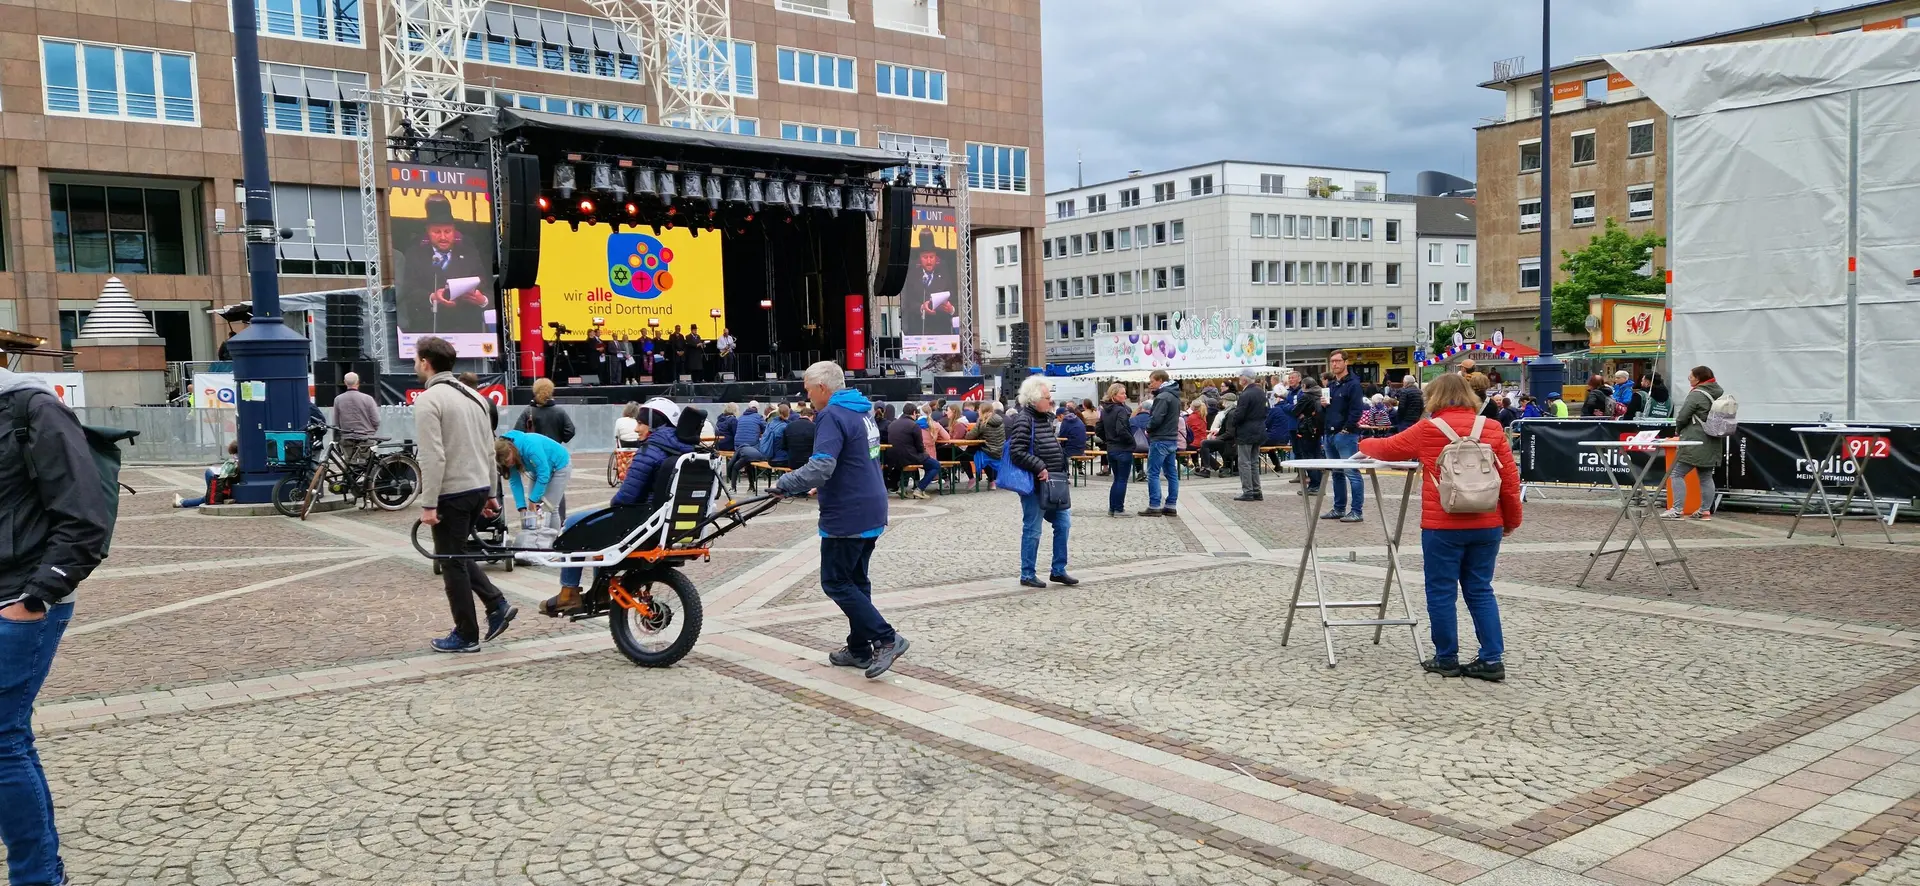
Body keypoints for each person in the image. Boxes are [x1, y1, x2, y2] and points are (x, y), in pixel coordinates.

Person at [0, 363, 114, 886]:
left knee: (3, 741)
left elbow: (85, 515)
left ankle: (38, 877)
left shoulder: (32, 407)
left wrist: (36, 596)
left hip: (19, 600)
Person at [1358, 372, 1522, 683]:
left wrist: (1362, 440)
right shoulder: (1492, 428)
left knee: (1442, 591)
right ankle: (1491, 659)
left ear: (1432, 397)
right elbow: (1510, 482)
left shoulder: (1428, 429)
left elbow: (1387, 449)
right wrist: (1510, 521)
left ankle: (1446, 657)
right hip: (1487, 522)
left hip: (1443, 524)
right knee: (1480, 590)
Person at [774, 361, 906, 679]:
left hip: (848, 511)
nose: (804, 394)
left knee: (835, 581)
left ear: (822, 388)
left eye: (807, 388)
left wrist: (785, 483)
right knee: (857, 582)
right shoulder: (861, 410)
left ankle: (886, 638)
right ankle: (860, 648)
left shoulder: (832, 414)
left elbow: (822, 467)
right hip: (872, 504)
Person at [413, 335, 516, 654]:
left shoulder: (429, 400)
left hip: (452, 493)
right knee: (456, 553)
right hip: (476, 490)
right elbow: (489, 449)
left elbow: (432, 456)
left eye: (416, 360)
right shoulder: (475, 396)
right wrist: (490, 494)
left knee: (450, 562)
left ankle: (466, 634)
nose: (415, 365)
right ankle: (496, 604)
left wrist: (428, 503)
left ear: (426, 363)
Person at [547, 400, 699, 617]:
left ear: (655, 423)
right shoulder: (686, 450)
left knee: (574, 523)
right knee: (603, 525)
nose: (636, 429)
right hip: (666, 522)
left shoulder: (652, 450)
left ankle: (568, 592)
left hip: (641, 521)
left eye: (641, 423)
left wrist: (613, 507)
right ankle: (599, 592)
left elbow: (626, 497)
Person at [1006, 377, 1074, 589]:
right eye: (1047, 397)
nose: (1051, 401)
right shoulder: (1024, 419)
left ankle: (1058, 569)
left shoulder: (1044, 418)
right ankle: (1027, 573)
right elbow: (1016, 452)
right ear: (1035, 399)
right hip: (1036, 484)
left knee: (1063, 524)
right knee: (1033, 529)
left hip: (1054, 482)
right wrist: (1038, 466)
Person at [397, 194, 488, 334]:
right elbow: (408, 292)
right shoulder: (414, 254)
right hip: (428, 329)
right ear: (428, 231)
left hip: (466, 331)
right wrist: (432, 297)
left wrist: (482, 300)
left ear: (454, 231)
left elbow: (485, 284)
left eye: (447, 231)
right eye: (437, 232)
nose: (443, 237)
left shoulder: (470, 254)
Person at [1664, 366, 1726, 521]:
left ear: (1698, 378)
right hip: (1713, 440)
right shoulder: (1718, 392)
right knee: (1705, 476)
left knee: (1677, 473)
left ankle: (1676, 509)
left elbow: (1683, 416)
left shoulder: (1697, 394)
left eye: (1691, 376)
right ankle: (1705, 511)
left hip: (1695, 439)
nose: (1689, 379)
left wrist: (1678, 429)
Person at [1322, 349, 1367, 523]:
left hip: (1345, 434)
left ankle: (1356, 511)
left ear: (1346, 362)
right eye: (1332, 361)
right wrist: (1324, 406)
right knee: (1337, 473)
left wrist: (1347, 429)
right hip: (1330, 433)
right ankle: (1339, 508)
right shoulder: (1332, 385)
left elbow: (1357, 409)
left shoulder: (1353, 384)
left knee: (1352, 472)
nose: (1334, 364)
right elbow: (1330, 409)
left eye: (1338, 361)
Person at [496, 428, 572, 520]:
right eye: (505, 464)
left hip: (560, 465)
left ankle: (554, 534)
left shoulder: (530, 447)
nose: (508, 464)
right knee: (532, 510)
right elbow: (515, 481)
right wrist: (521, 507)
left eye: (508, 460)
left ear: (510, 449)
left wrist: (533, 499)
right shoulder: (508, 455)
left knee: (550, 508)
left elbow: (544, 474)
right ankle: (536, 533)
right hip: (537, 469)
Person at [1141, 369, 1182, 517]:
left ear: (1160, 380)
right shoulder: (1175, 396)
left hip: (1160, 439)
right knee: (1171, 474)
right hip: (1171, 438)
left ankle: (1154, 505)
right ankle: (1171, 504)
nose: (1150, 384)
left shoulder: (1163, 397)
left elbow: (1157, 418)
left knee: (1153, 473)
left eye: (1152, 381)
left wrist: (1148, 428)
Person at [901, 231, 957, 335]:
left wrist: (951, 309)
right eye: (925, 257)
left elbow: (954, 298)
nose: (929, 261)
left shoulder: (945, 275)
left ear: (936, 258)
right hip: (918, 331)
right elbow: (907, 302)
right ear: (920, 258)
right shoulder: (912, 275)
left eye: (931, 257)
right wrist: (922, 307)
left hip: (941, 331)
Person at [1224, 370, 1268, 501]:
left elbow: (1240, 414)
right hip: (1259, 429)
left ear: (1245, 379)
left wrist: (1234, 421)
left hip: (1246, 431)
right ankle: (1256, 490)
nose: (1239, 379)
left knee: (1244, 462)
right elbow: (1266, 410)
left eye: (1240, 377)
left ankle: (1248, 491)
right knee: (1254, 462)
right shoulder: (1261, 392)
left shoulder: (1245, 394)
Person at [885, 403, 939, 499]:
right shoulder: (913, 425)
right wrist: (925, 453)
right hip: (908, 456)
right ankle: (920, 488)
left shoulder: (892, 424)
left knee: (909, 462)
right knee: (935, 465)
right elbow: (919, 446)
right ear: (914, 412)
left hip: (893, 458)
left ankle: (903, 487)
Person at [1097, 384, 1134, 517]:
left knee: (1117, 479)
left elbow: (1098, 429)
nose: (1125, 396)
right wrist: (1132, 442)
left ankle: (1113, 508)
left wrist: (1108, 439)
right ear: (1114, 395)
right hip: (1122, 448)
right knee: (1121, 479)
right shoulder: (1120, 410)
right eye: (1122, 393)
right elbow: (1122, 429)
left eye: (1125, 393)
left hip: (1111, 448)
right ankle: (1118, 508)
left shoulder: (1105, 410)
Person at [333, 371, 381, 469]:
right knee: (367, 467)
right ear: (358, 382)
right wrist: (371, 431)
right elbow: (376, 420)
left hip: (346, 438)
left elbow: (336, 423)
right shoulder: (368, 399)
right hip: (365, 438)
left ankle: (348, 483)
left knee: (349, 468)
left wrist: (337, 439)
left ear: (345, 382)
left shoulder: (338, 399)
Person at [175, 440, 241, 508]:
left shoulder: (236, 460)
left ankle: (182, 502)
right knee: (210, 496)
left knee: (209, 496)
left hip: (221, 483)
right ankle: (182, 502)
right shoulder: (241, 459)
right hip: (226, 483)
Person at [1293, 374, 1326, 496]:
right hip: (1317, 429)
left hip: (1307, 428)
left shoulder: (1306, 396)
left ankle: (1314, 484)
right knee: (1316, 455)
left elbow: (1294, 411)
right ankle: (1318, 484)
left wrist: (1301, 414)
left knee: (1308, 457)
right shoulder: (1320, 394)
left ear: (1304, 386)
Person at [518, 378, 576, 444]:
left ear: (535, 391)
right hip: (554, 450)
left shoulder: (528, 411)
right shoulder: (560, 411)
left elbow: (517, 433)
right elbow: (570, 431)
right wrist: (559, 438)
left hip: (534, 451)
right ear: (551, 390)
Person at [965, 401, 1006, 491]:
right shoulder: (1000, 420)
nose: (978, 411)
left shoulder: (982, 421)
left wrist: (966, 433)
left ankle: (972, 478)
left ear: (982, 411)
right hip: (1000, 451)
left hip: (988, 450)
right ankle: (992, 481)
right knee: (984, 455)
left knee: (964, 456)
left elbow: (970, 436)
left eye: (979, 410)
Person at [1265, 371, 1300, 473]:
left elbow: (1267, 424)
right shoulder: (1287, 408)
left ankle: (1276, 465)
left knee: (1257, 442)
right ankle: (1278, 466)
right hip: (1287, 437)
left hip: (1275, 438)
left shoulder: (1275, 410)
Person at [782, 404, 816, 471]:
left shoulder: (789, 426)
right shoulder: (815, 427)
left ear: (800, 415)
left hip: (793, 462)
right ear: (812, 416)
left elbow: (784, 446)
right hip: (809, 463)